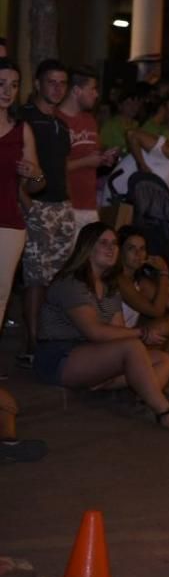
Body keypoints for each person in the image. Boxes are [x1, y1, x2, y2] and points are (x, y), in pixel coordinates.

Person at [32, 222, 169, 432]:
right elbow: (94, 331)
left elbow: (117, 330)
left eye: (114, 244)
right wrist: (142, 333)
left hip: (90, 353)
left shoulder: (109, 286)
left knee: (163, 360)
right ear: (87, 247)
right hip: (59, 356)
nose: (111, 248)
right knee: (133, 347)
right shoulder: (72, 283)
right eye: (103, 243)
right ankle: (164, 411)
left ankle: (140, 396)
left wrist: (122, 352)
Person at [19, 59, 74, 368]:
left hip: (62, 207)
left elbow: (62, 167)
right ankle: (33, 345)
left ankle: (52, 340)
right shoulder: (24, 119)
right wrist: (25, 202)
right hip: (36, 206)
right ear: (38, 83)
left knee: (58, 279)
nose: (57, 88)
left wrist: (69, 205)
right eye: (51, 82)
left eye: (62, 83)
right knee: (35, 280)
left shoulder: (62, 124)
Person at [0, 58, 45, 379]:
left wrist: (33, 173)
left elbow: (38, 182)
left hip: (9, 223)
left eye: (14, 85)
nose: (7, 91)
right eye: (1, 83)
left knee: (0, 297)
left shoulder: (22, 130)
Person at [57, 66, 118, 235]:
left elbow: (90, 156)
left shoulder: (90, 120)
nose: (96, 94)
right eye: (93, 89)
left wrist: (103, 159)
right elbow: (49, 168)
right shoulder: (56, 121)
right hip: (65, 206)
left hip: (89, 206)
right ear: (76, 90)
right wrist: (87, 162)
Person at [116, 226, 169, 358]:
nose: (138, 254)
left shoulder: (139, 280)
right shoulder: (120, 279)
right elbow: (157, 311)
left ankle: (159, 369)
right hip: (117, 342)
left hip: (130, 336)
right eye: (131, 248)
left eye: (142, 249)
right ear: (120, 252)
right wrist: (163, 273)